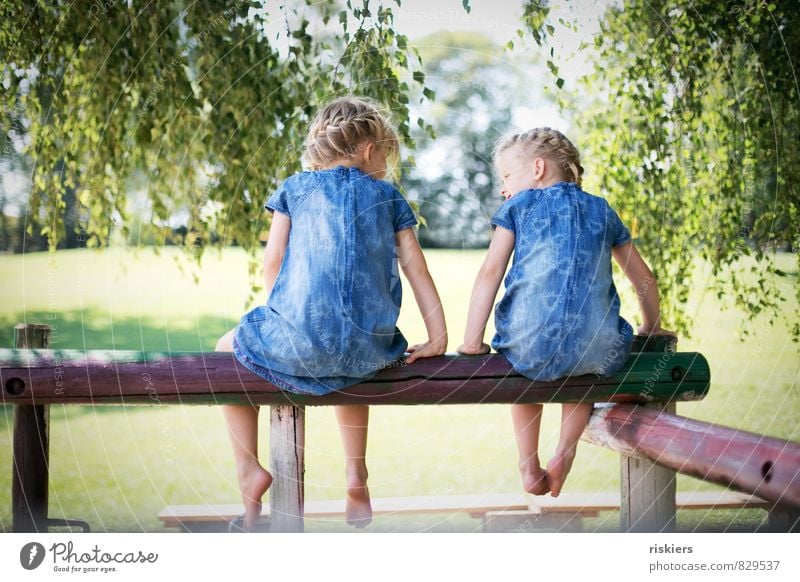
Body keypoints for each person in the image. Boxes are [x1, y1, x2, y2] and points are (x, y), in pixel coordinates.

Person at [215, 96, 447, 530]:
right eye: (384, 154)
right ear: (367, 148)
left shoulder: (295, 188)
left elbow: (273, 263)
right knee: (352, 360)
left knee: (224, 347)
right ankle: (355, 473)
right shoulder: (388, 196)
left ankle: (248, 469)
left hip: (299, 341)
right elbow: (416, 266)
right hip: (371, 349)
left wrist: (287, 318)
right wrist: (438, 336)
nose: (384, 164)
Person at [458, 127, 674, 497]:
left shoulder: (517, 208)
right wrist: (651, 326)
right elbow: (644, 278)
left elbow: (489, 273)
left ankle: (528, 464)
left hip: (529, 346)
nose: (503, 187)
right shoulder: (601, 210)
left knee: (523, 369)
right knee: (587, 352)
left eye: (508, 175)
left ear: (538, 168)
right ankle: (565, 451)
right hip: (597, 348)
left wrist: (472, 343)